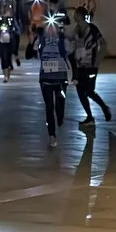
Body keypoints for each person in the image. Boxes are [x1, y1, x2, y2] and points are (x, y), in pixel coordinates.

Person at [71, 6, 112, 129]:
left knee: (89, 91)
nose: (73, 16)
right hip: (80, 66)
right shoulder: (76, 30)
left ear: (80, 15)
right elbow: (74, 47)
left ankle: (104, 108)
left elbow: (103, 45)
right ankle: (89, 117)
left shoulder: (92, 29)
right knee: (80, 91)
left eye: (75, 14)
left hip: (91, 67)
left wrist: (97, 62)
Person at [36, 16, 70, 149]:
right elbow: (30, 53)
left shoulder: (63, 40)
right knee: (49, 107)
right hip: (45, 79)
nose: (51, 30)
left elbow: (70, 53)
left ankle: (60, 117)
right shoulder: (41, 40)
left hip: (61, 78)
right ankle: (52, 135)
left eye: (53, 27)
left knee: (60, 106)